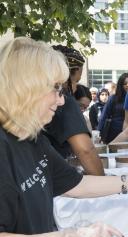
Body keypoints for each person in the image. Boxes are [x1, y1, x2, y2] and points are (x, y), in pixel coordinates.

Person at [0, 37, 128, 237]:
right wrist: (69, 236)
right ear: (27, 87)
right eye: (56, 88)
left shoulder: (33, 139)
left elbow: (77, 184)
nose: (62, 99)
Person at [43, 45, 104, 176]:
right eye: (76, 81)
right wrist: (103, 181)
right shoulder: (65, 100)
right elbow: (85, 150)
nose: (76, 88)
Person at [98, 73, 128, 143]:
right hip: (114, 132)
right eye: (125, 83)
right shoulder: (113, 98)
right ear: (121, 85)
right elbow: (104, 116)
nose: (127, 85)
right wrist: (99, 133)